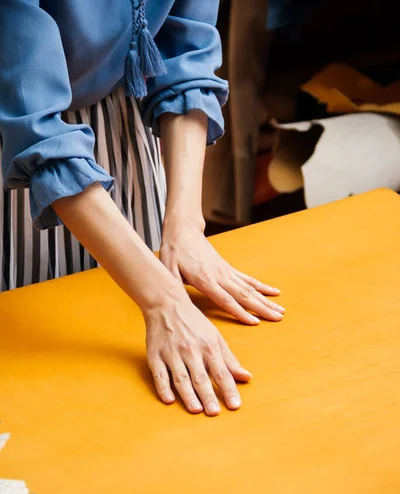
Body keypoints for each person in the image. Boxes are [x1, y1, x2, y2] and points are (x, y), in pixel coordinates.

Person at [0, 0, 285, 416]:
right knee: (43, 384)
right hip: (19, 146)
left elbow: (185, 55)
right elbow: (34, 126)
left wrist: (185, 226)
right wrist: (163, 301)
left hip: (121, 123)